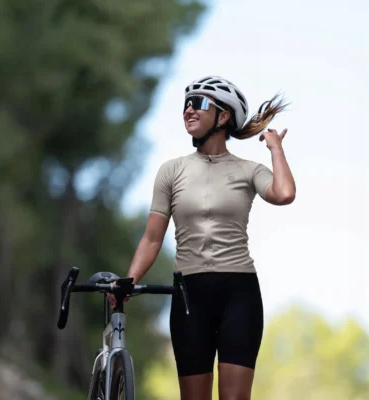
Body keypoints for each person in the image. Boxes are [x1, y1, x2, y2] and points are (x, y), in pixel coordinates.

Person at [111, 76, 296, 400]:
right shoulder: (171, 171)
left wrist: (275, 149)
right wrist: (129, 281)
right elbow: (152, 239)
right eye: (186, 104)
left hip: (239, 293)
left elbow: (284, 193)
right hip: (189, 296)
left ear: (223, 116)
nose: (188, 110)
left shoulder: (248, 170)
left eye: (198, 103)